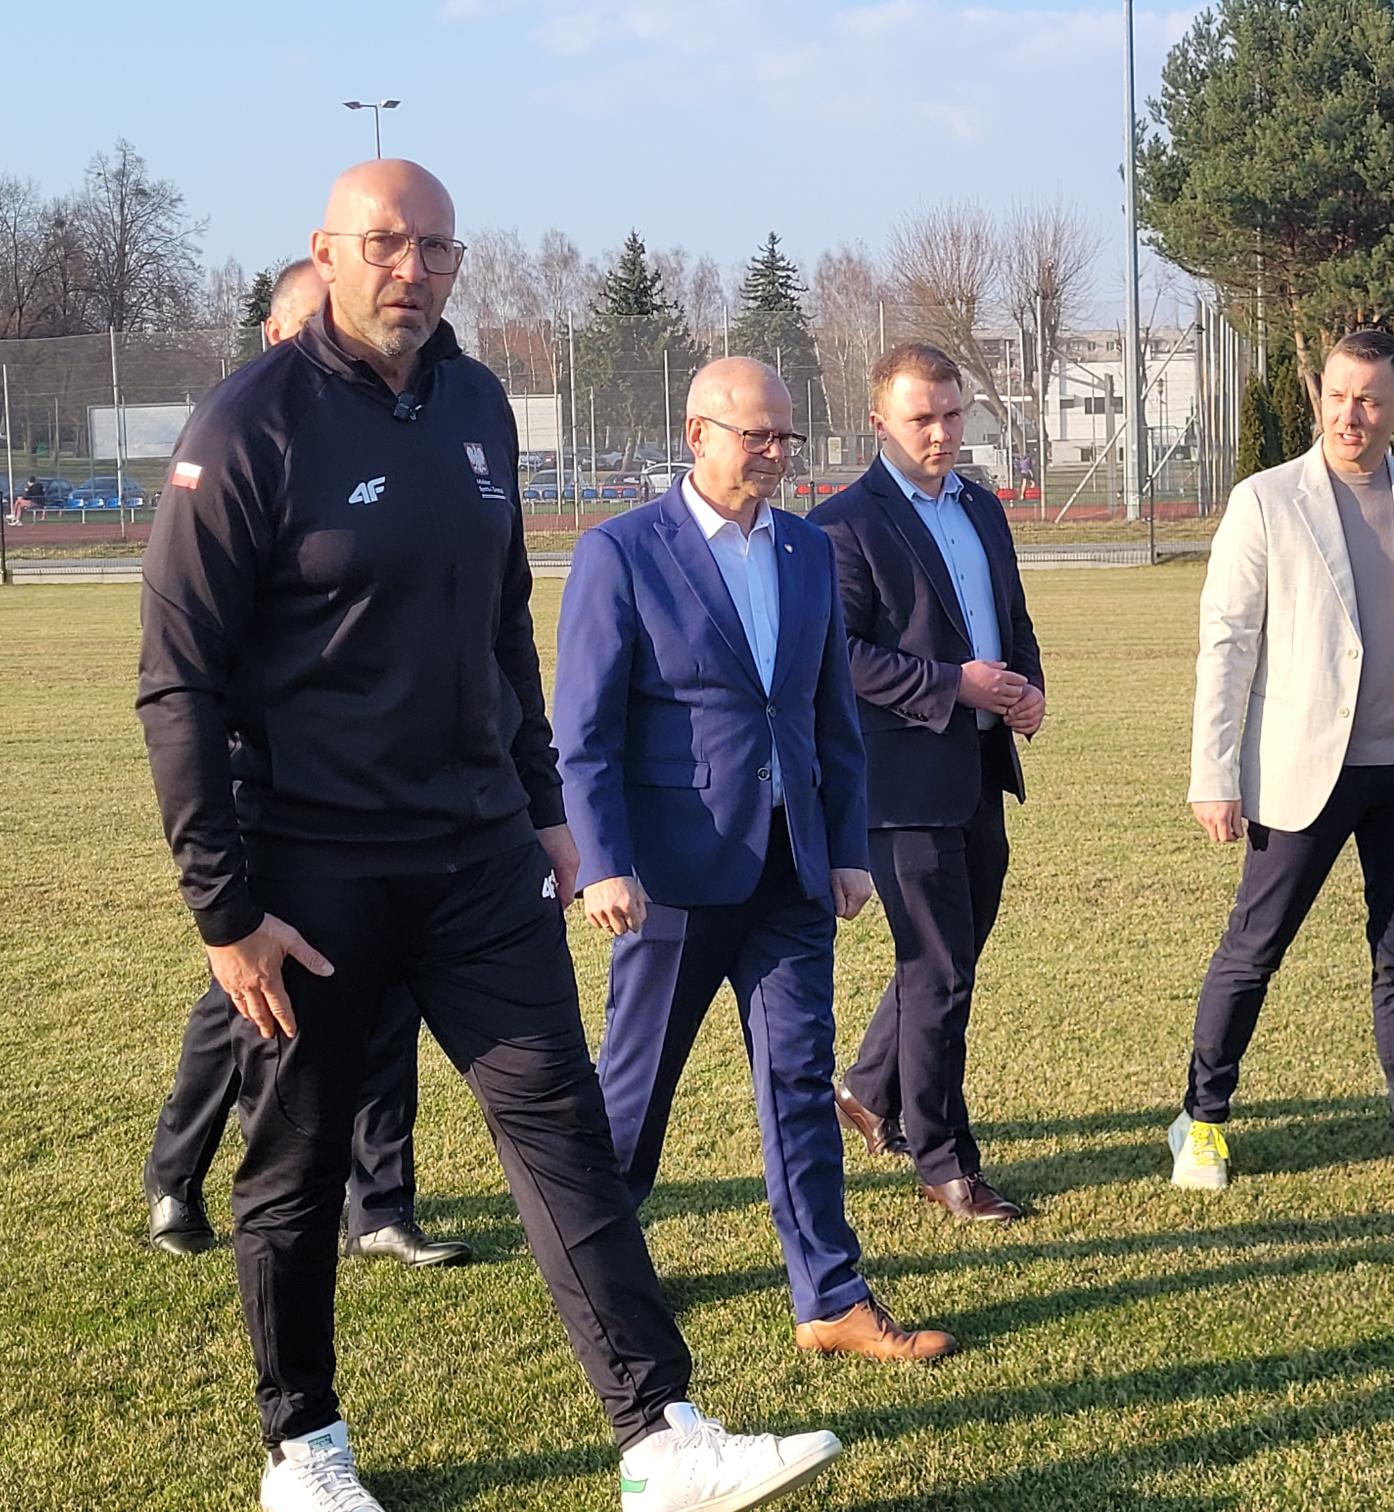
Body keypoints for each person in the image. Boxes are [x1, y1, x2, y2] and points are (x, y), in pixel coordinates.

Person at [137, 159, 840, 1512]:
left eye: (437, 248)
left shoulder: (472, 407)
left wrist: (545, 806)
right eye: (385, 244)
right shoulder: (248, 425)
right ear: (328, 253)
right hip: (312, 874)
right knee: (297, 1164)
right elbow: (177, 683)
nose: (413, 270)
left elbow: (502, 623)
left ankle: (660, 1437)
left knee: (564, 1134)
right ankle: (304, 1450)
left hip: (475, 857)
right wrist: (224, 909)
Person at [554, 356, 956, 1364]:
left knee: (800, 1083)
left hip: (793, 872)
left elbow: (829, 717)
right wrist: (603, 862)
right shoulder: (620, 552)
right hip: (671, 881)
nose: (776, 453)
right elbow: (584, 733)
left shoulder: (807, 549)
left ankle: (830, 1296)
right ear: (697, 435)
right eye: (757, 436)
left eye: (787, 437)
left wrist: (847, 848)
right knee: (634, 1095)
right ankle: (594, 1277)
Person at [142, 255, 471, 1269]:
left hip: (383, 799)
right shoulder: (248, 434)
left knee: (391, 999)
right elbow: (188, 664)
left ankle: (382, 1204)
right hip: (271, 791)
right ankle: (176, 1175)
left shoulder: (405, 421)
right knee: (246, 998)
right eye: (297, 333)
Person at [1172, 327, 1394, 1203]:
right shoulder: (1265, 500)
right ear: (1319, 398)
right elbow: (1227, 644)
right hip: (1302, 775)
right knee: (1254, 952)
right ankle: (1201, 1120)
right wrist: (1214, 773)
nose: (1350, 414)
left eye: (1369, 398)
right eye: (1337, 395)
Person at [808, 343, 1045, 1222]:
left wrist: (1027, 685)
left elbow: (1010, 617)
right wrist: (954, 686)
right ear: (879, 421)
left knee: (948, 957)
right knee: (941, 971)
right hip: (900, 784)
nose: (942, 434)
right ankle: (945, 1160)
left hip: (980, 770)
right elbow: (841, 655)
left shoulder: (981, 507)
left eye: (952, 414)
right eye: (921, 419)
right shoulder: (843, 524)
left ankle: (870, 1090)